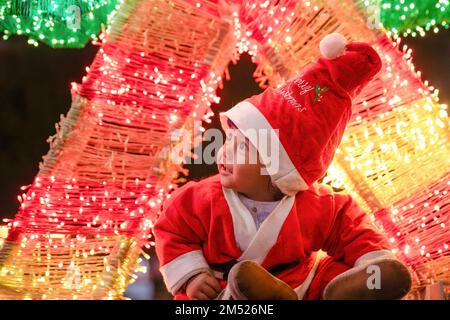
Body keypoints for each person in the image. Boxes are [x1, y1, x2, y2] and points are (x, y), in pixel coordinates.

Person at [153, 33, 412, 300]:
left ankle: (367, 283)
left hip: (299, 284)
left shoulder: (314, 205)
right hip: (224, 288)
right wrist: (193, 275)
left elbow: (350, 226)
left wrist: (373, 260)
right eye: (229, 140)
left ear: (276, 166)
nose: (224, 152)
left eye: (242, 147)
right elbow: (172, 229)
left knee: (331, 275)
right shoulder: (199, 200)